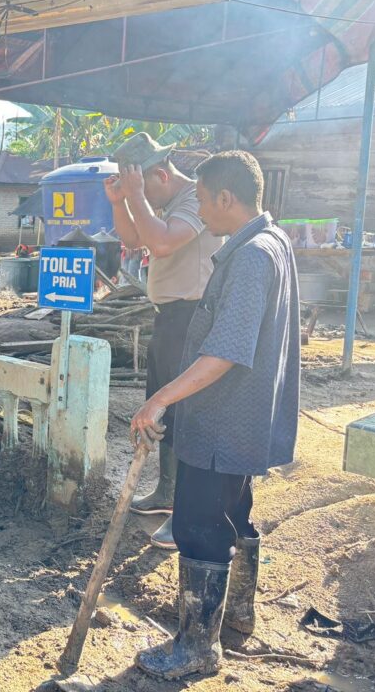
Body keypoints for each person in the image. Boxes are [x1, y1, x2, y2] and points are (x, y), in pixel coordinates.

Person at [130, 151, 300, 680]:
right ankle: (236, 617)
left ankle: (197, 645)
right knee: (232, 514)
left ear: (227, 198)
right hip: (244, 419)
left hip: (221, 419)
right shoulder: (271, 242)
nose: (199, 211)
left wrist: (162, 398)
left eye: (202, 201)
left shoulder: (251, 257)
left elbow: (225, 351)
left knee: (200, 526)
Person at [105, 133, 224, 549]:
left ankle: (188, 514)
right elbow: (135, 239)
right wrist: (122, 202)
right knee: (164, 408)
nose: (142, 197)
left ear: (158, 173)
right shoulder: (162, 203)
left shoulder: (194, 199)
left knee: (186, 413)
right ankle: (168, 493)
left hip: (192, 318)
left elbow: (160, 241)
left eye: (142, 184)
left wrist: (136, 196)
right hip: (169, 318)